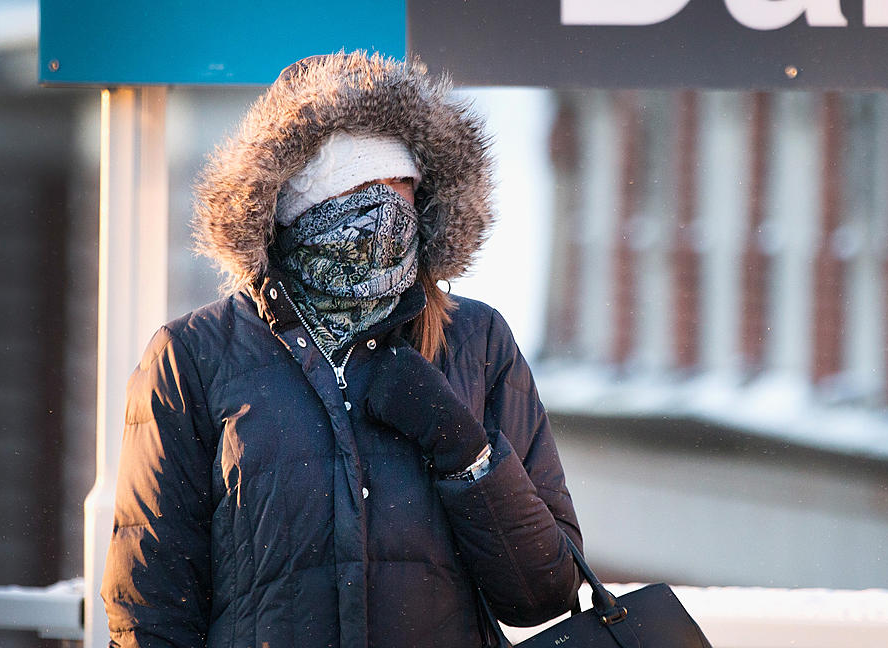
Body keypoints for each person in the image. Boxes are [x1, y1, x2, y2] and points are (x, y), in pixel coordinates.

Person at [101, 51, 583, 647]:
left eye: (403, 184)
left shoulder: (475, 343)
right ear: (299, 197)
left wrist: (466, 452)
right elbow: (149, 611)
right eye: (363, 185)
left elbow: (545, 593)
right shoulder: (193, 358)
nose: (389, 211)